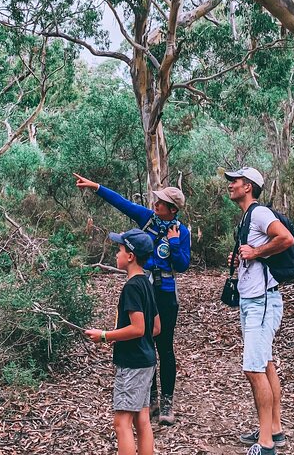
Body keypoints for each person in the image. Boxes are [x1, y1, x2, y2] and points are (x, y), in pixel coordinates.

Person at [74, 173, 190, 425]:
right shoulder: (147, 219)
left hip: (166, 292)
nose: (155, 204)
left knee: (165, 346)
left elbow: (182, 265)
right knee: (146, 340)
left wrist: (174, 244)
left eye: (160, 202)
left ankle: (167, 401)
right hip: (144, 288)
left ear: (172, 209)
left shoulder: (181, 232)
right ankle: (151, 396)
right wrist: (96, 186)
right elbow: (122, 203)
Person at [225, 167, 294, 455]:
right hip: (253, 299)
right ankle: (273, 429)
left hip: (262, 302)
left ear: (249, 186)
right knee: (264, 364)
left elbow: (286, 238)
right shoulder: (247, 217)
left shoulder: (260, 213)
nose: (231, 185)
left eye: (235, 181)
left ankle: (265, 445)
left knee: (253, 369)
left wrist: (256, 252)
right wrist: (244, 257)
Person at [85, 228, 161, 455]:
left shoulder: (130, 288)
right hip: (146, 359)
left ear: (131, 256)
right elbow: (155, 327)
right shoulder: (146, 284)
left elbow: (138, 328)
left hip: (132, 363)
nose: (116, 255)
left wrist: (106, 335)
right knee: (142, 419)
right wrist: (128, 336)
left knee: (121, 423)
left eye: (119, 250)